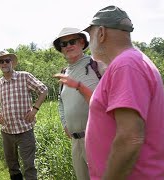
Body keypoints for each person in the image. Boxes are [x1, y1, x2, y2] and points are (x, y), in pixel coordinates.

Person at [56, 5, 164, 180]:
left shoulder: (125, 65)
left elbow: (130, 138)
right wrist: (79, 87)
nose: (91, 41)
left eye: (91, 34)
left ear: (101, 33)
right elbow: (104, 107)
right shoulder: (131, 62)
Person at [0, 50, 48, 180]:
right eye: (1, 61)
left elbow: (43, 90)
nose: (4, 63)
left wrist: (35, 109)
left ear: (12, 63)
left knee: (29, 165)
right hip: (7, 131)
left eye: (7, 60)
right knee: (12, 166)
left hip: (25, 129)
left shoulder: (24, 77)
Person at [52, 27, 104, 180]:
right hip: (76, 141)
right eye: (64, 44)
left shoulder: (97, 65)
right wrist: (64, 124)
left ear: (82, 42)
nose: (68, 46)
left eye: (72, 41)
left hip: (97, 138)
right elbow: (61, 103)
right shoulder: (64, 73)